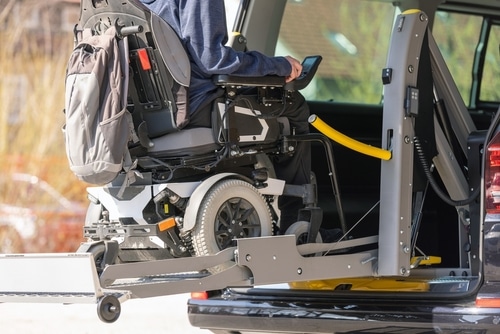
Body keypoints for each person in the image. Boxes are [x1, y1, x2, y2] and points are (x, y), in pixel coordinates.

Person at [140, 0, 311, 233]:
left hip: (150, 116)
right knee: (294, 106)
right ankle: (299, 224)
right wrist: (279, 66)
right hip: (197, 108)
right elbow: (213, 60)